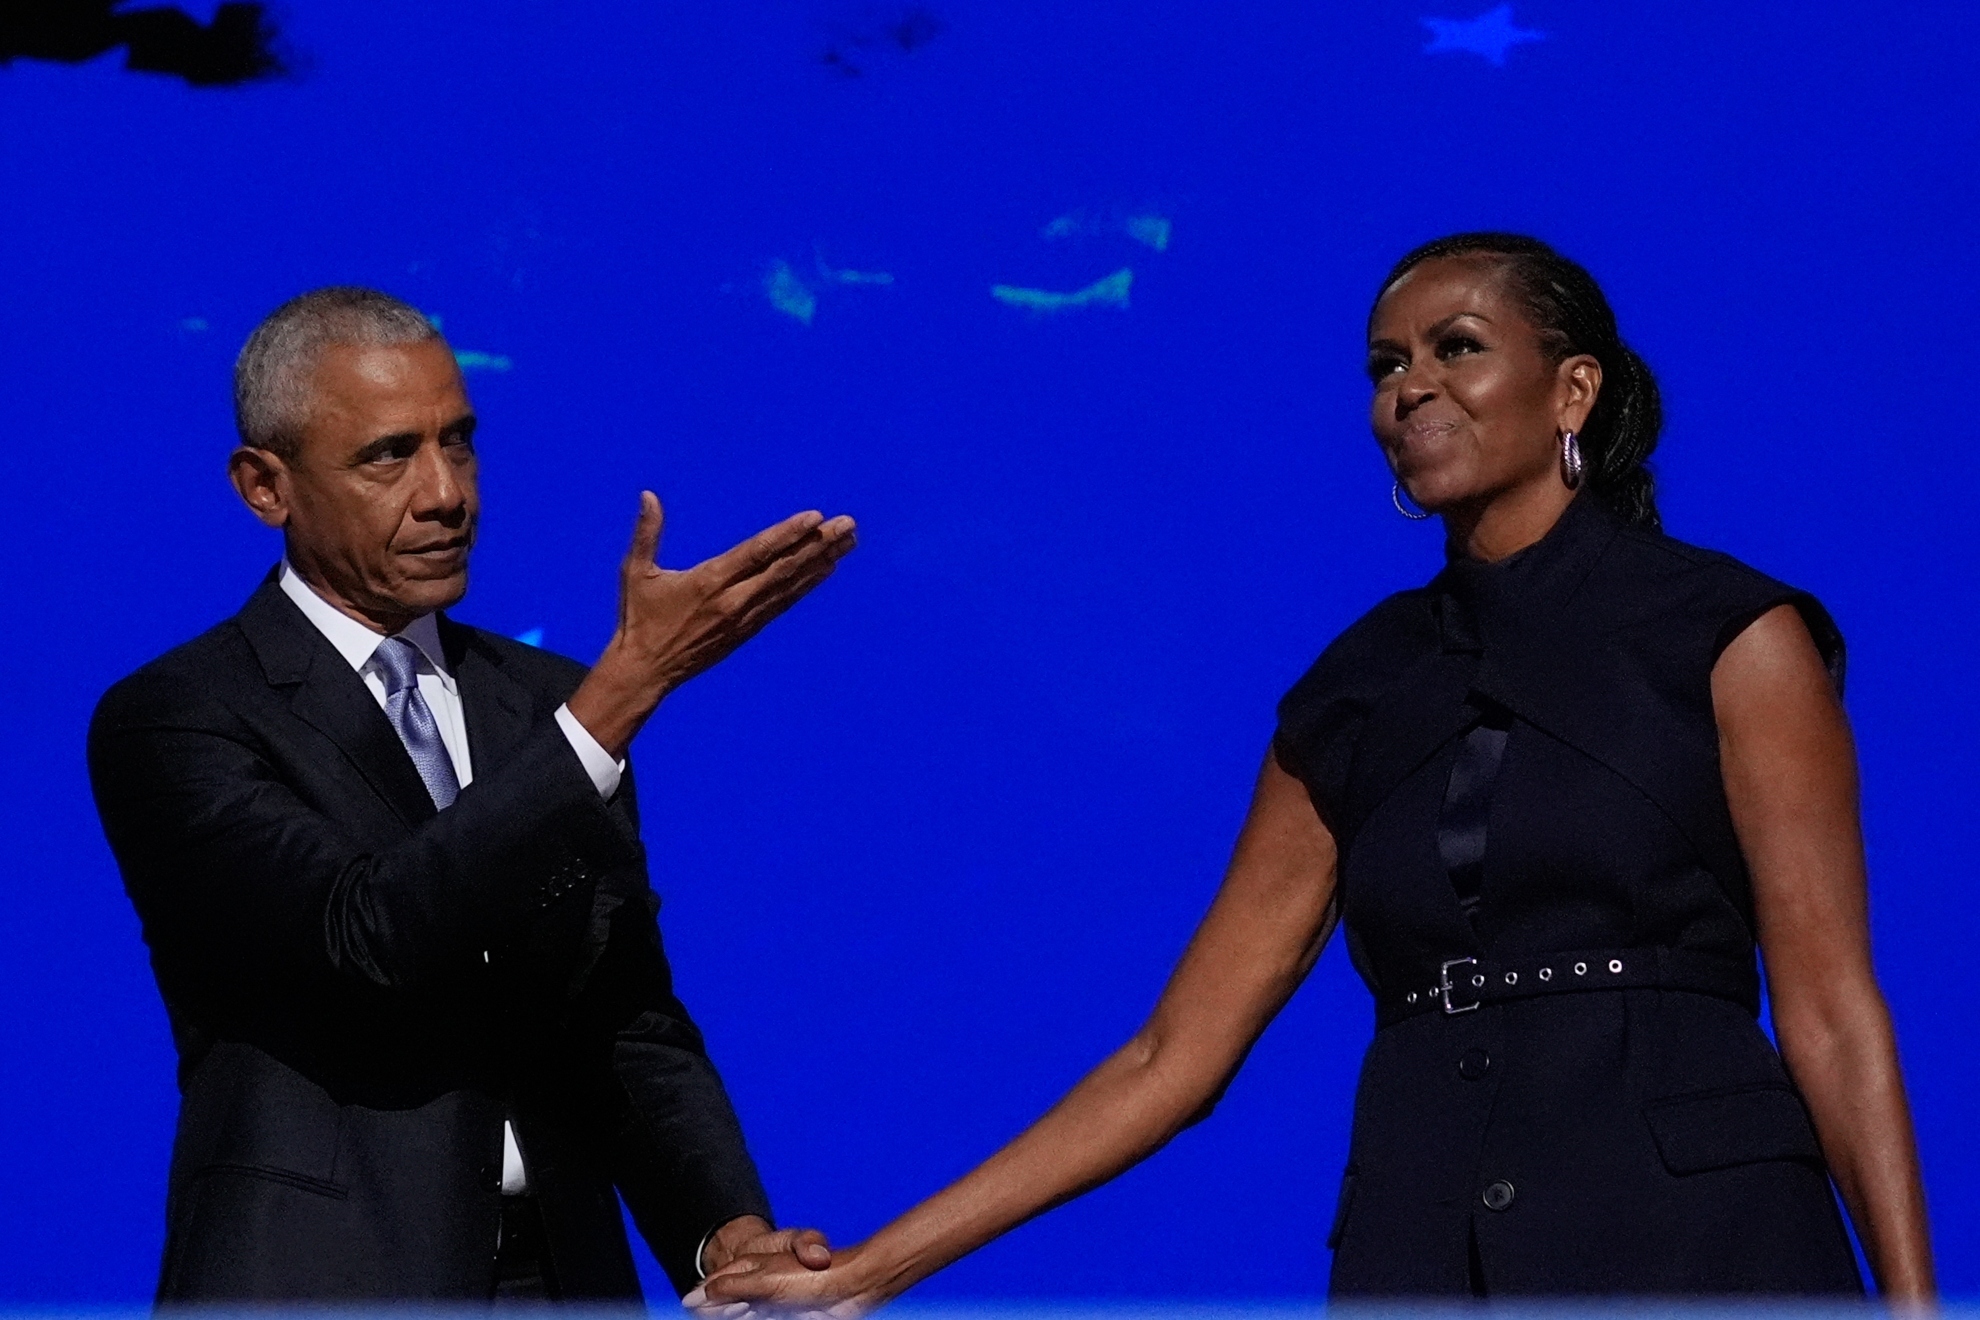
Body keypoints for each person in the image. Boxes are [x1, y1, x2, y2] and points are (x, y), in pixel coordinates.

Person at [695, 234, 1935, 1308]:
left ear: (1574, 391)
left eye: (1456, 348)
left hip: (1696, 1245)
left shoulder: (1727, 634)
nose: (1412, 390)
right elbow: (1170, 1058)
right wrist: (871, 1269)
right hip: (1425, 1246)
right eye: (1386, 366)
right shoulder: (1361, 685)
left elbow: (1830, 1013)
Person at [87, 287, 855, 1301]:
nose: (447, 494)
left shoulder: (542, 707)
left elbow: (624, 1019)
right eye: (389, 455)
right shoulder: (180, 716)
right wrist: (616, 703)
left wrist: (725, 1231)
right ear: (264, 487)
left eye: (461, 443)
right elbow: (364, 935)